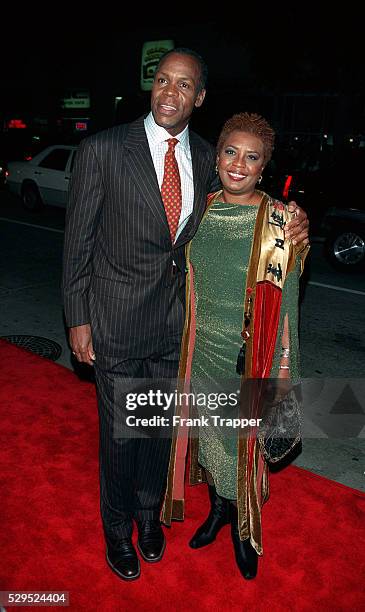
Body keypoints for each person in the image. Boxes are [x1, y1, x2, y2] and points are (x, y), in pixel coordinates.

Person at [62, 49, 309, 582]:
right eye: (162, 80)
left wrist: (294, 222)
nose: (169, 92)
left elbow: (248, 204)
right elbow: (77, 245)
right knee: (121, 435)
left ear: (199, 97)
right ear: (153, 85)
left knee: (157, 432)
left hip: (179, 328)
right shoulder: (102, 149)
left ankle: (150, 519)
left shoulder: (204, 156)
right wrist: (79, 320)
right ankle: (117, 530)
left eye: (184, 85)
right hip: (116, 323)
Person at [161, 112, 309, 580]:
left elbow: (289, 298)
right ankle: (220, 510)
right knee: (210, 437)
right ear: (217, 155)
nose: (239, 165)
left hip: (250, 354)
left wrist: (282, 371)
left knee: (242, 444)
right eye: (231, 152)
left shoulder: (279, 220)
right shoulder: (198, 211)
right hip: (200, 348)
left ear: (264, 167)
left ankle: (245, 528)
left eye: (252, 157)